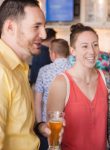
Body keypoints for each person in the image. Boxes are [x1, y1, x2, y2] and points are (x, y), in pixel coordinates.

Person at [47, 23, 110, 150]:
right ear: (73, 51)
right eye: (84, 46)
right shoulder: (61, 83)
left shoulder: (106, 79)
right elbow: (53, 138)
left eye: (95, 45)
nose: (91, 51)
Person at [0, 0, 50, 149]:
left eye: (44, 27)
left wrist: (40, 127)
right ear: (10, 27)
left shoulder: (19, 68)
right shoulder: (2, 73)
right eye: (36, 27)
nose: (44, 34)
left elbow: (18, 128)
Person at [34, 38, 71, 150]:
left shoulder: (44, 70)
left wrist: (40, 124)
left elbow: (37, 100)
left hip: (50, 125)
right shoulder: (74, 70)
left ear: (53, 54)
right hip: (71, 125)